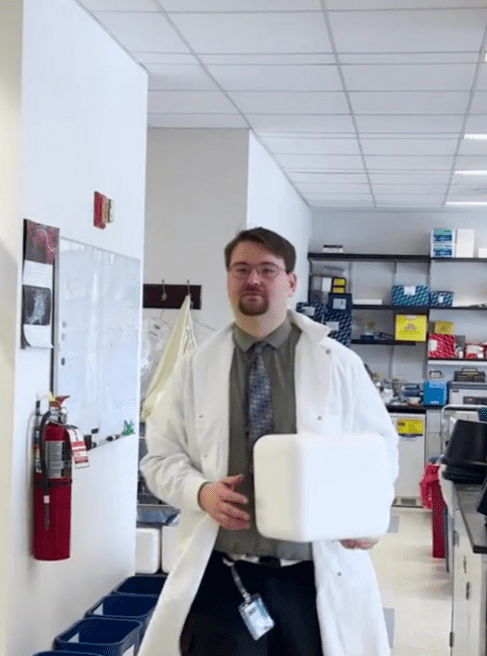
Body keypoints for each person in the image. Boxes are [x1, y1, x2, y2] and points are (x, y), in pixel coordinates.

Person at [139, 227, 399, 656]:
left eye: (267, 270)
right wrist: (199, 492)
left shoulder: (339, 365)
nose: (253, 280)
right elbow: (161, 457)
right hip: (224, 576)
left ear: (291, 282)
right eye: (241, 269)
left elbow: (381, 453)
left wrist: (369, 517)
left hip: (312, 576)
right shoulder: (194, 368)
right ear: (228, 280)